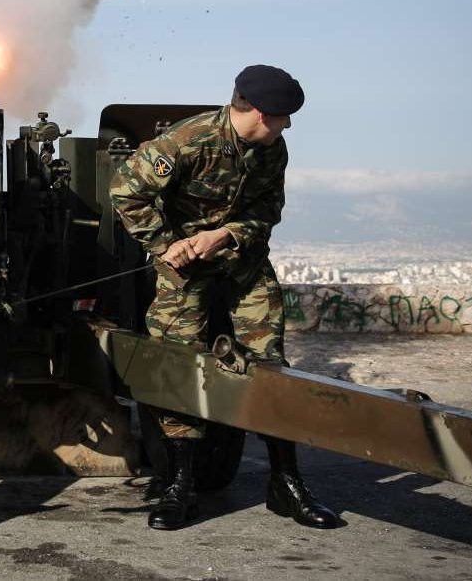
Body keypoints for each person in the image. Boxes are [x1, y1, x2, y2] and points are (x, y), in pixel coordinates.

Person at [109, 64, 341, 531]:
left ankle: (285, 482)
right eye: (281, 116)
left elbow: (266, 211)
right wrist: (164, 244)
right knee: (177, 369)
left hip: (243, 265)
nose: (287, 125)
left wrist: (226, 235)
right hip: (184, 269)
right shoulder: (187, 141)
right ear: (255, 111)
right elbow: (125, 190)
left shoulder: (272, 152)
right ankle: (179, 485)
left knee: (269, 365)